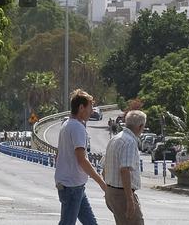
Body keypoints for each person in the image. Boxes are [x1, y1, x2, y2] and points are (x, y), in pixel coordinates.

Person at [56, 89, 106, 225]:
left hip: (74, 185)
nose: (92, 111)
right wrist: (101, 182)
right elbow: (82, 160)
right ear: (81, 107)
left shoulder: (66, 124)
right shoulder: (77, 128)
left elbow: (58, 155)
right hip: (72, 187)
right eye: (90, 107)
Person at [101, 109, 147, 225]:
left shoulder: (115, 138)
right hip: (122, 194)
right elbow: (125, 170)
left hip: (112, 192)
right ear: (140, 126)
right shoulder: (129, 142)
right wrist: (130, 199)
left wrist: (109, 189)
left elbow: (104, 168)